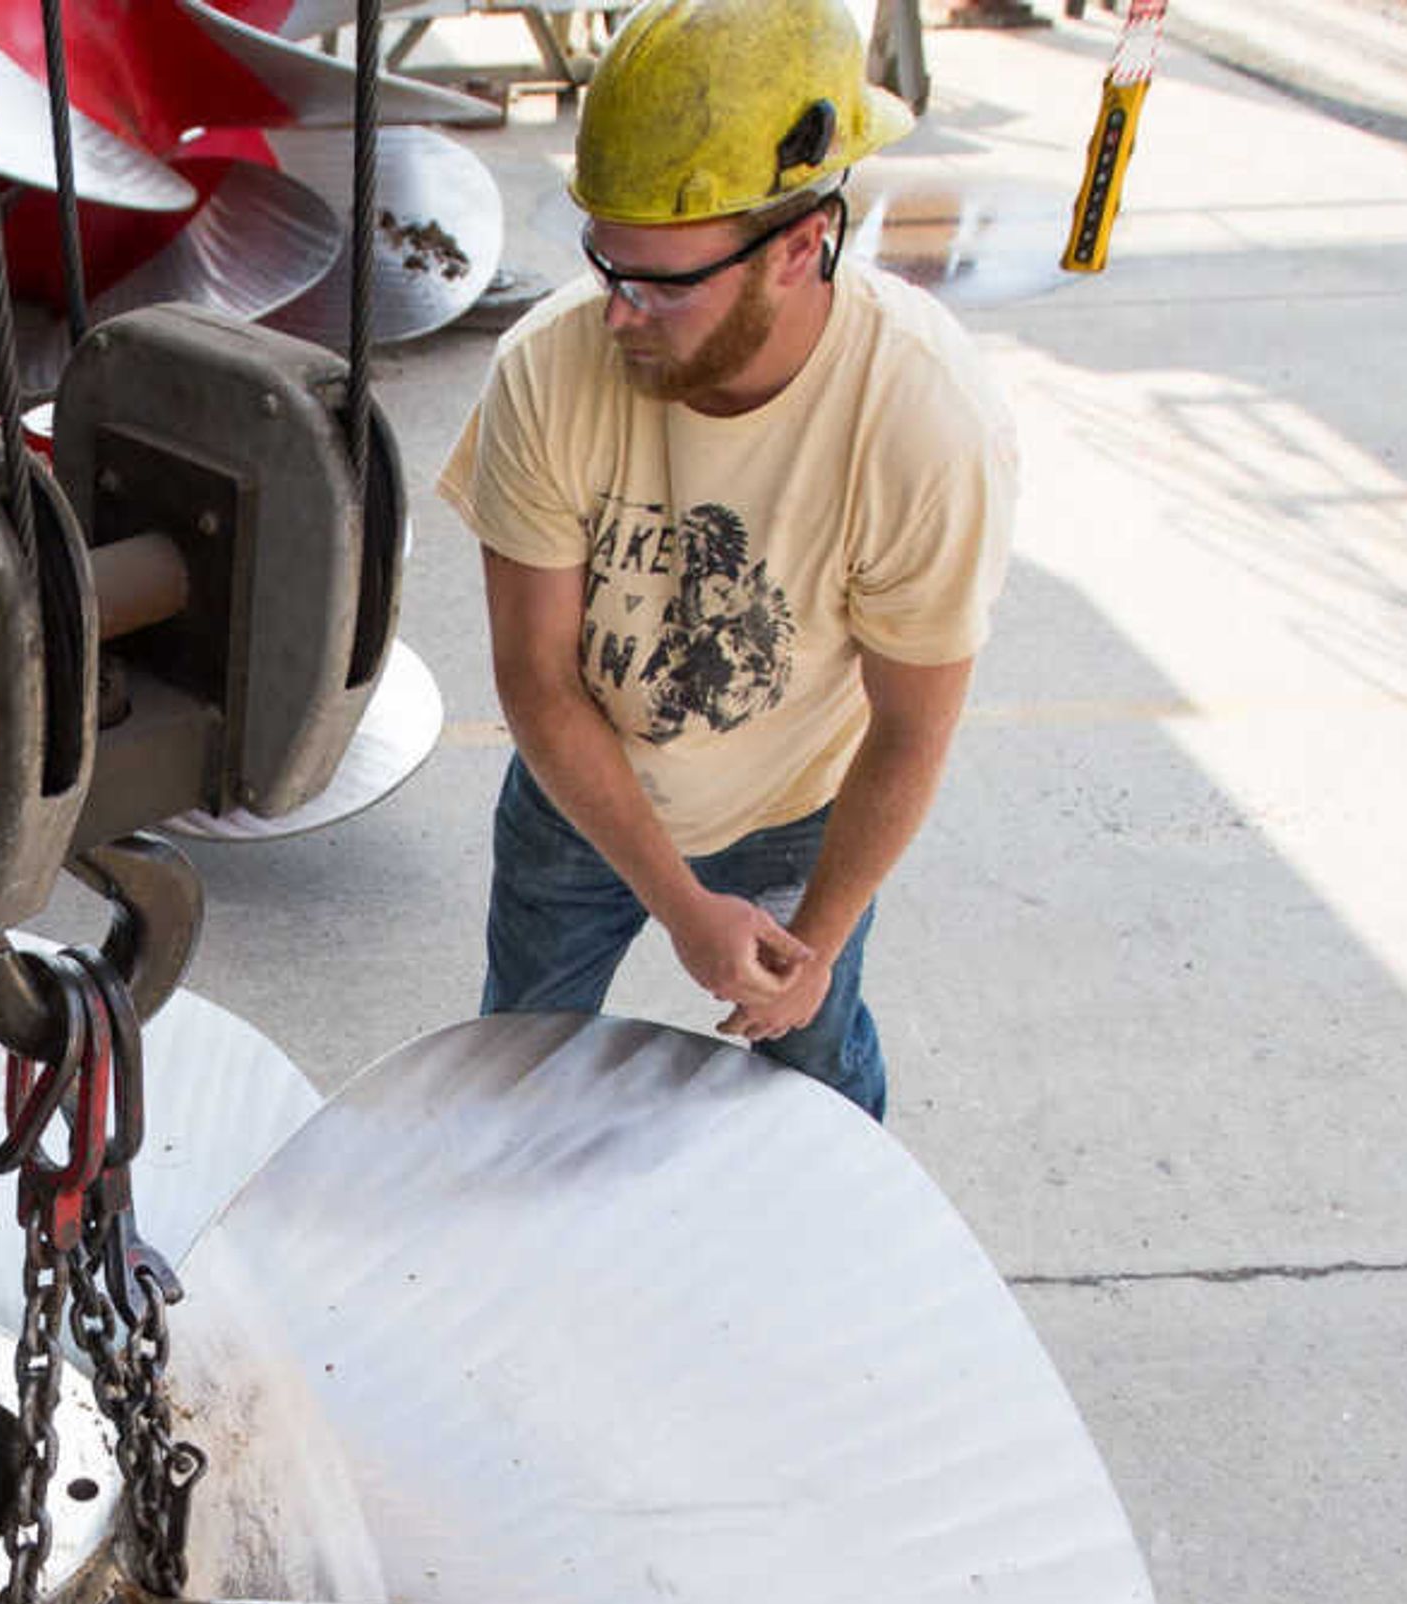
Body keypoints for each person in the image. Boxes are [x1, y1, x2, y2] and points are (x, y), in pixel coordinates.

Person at [433, 0, 1018, 1119]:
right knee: (515, 1068)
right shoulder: (544, 374)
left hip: (799, 802)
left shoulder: (924, 420)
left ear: (801, 246)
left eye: (662, 283)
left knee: (817, 1068)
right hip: (583, 787)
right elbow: (540, 682)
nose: (617, 315)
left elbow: (910, 729)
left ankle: (840, 1243)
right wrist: (679, 902)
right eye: (608, 264)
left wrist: (824, 931)